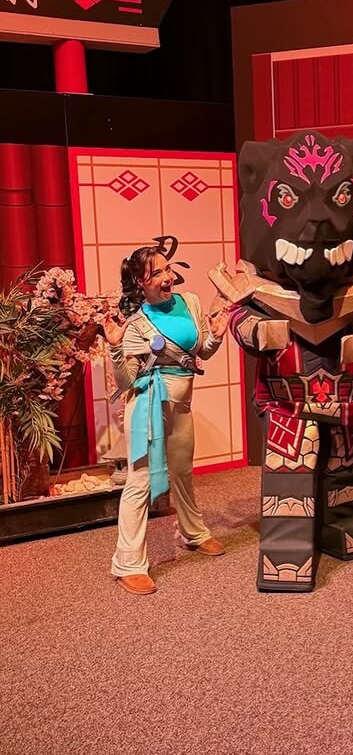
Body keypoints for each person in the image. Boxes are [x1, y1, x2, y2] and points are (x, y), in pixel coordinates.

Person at [103, 246, 230, 595]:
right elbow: (126, 381)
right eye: (156, 273)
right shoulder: (135, 325)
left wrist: (216, 335)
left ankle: (193, 532)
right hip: (146, 407)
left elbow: (201, 352)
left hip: (181, 405)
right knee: (140, 481)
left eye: (167, 269)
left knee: (182, 470)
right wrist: (115, 348)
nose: (167, 277)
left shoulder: (190, 302)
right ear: (139, 284)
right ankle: (128, 563)